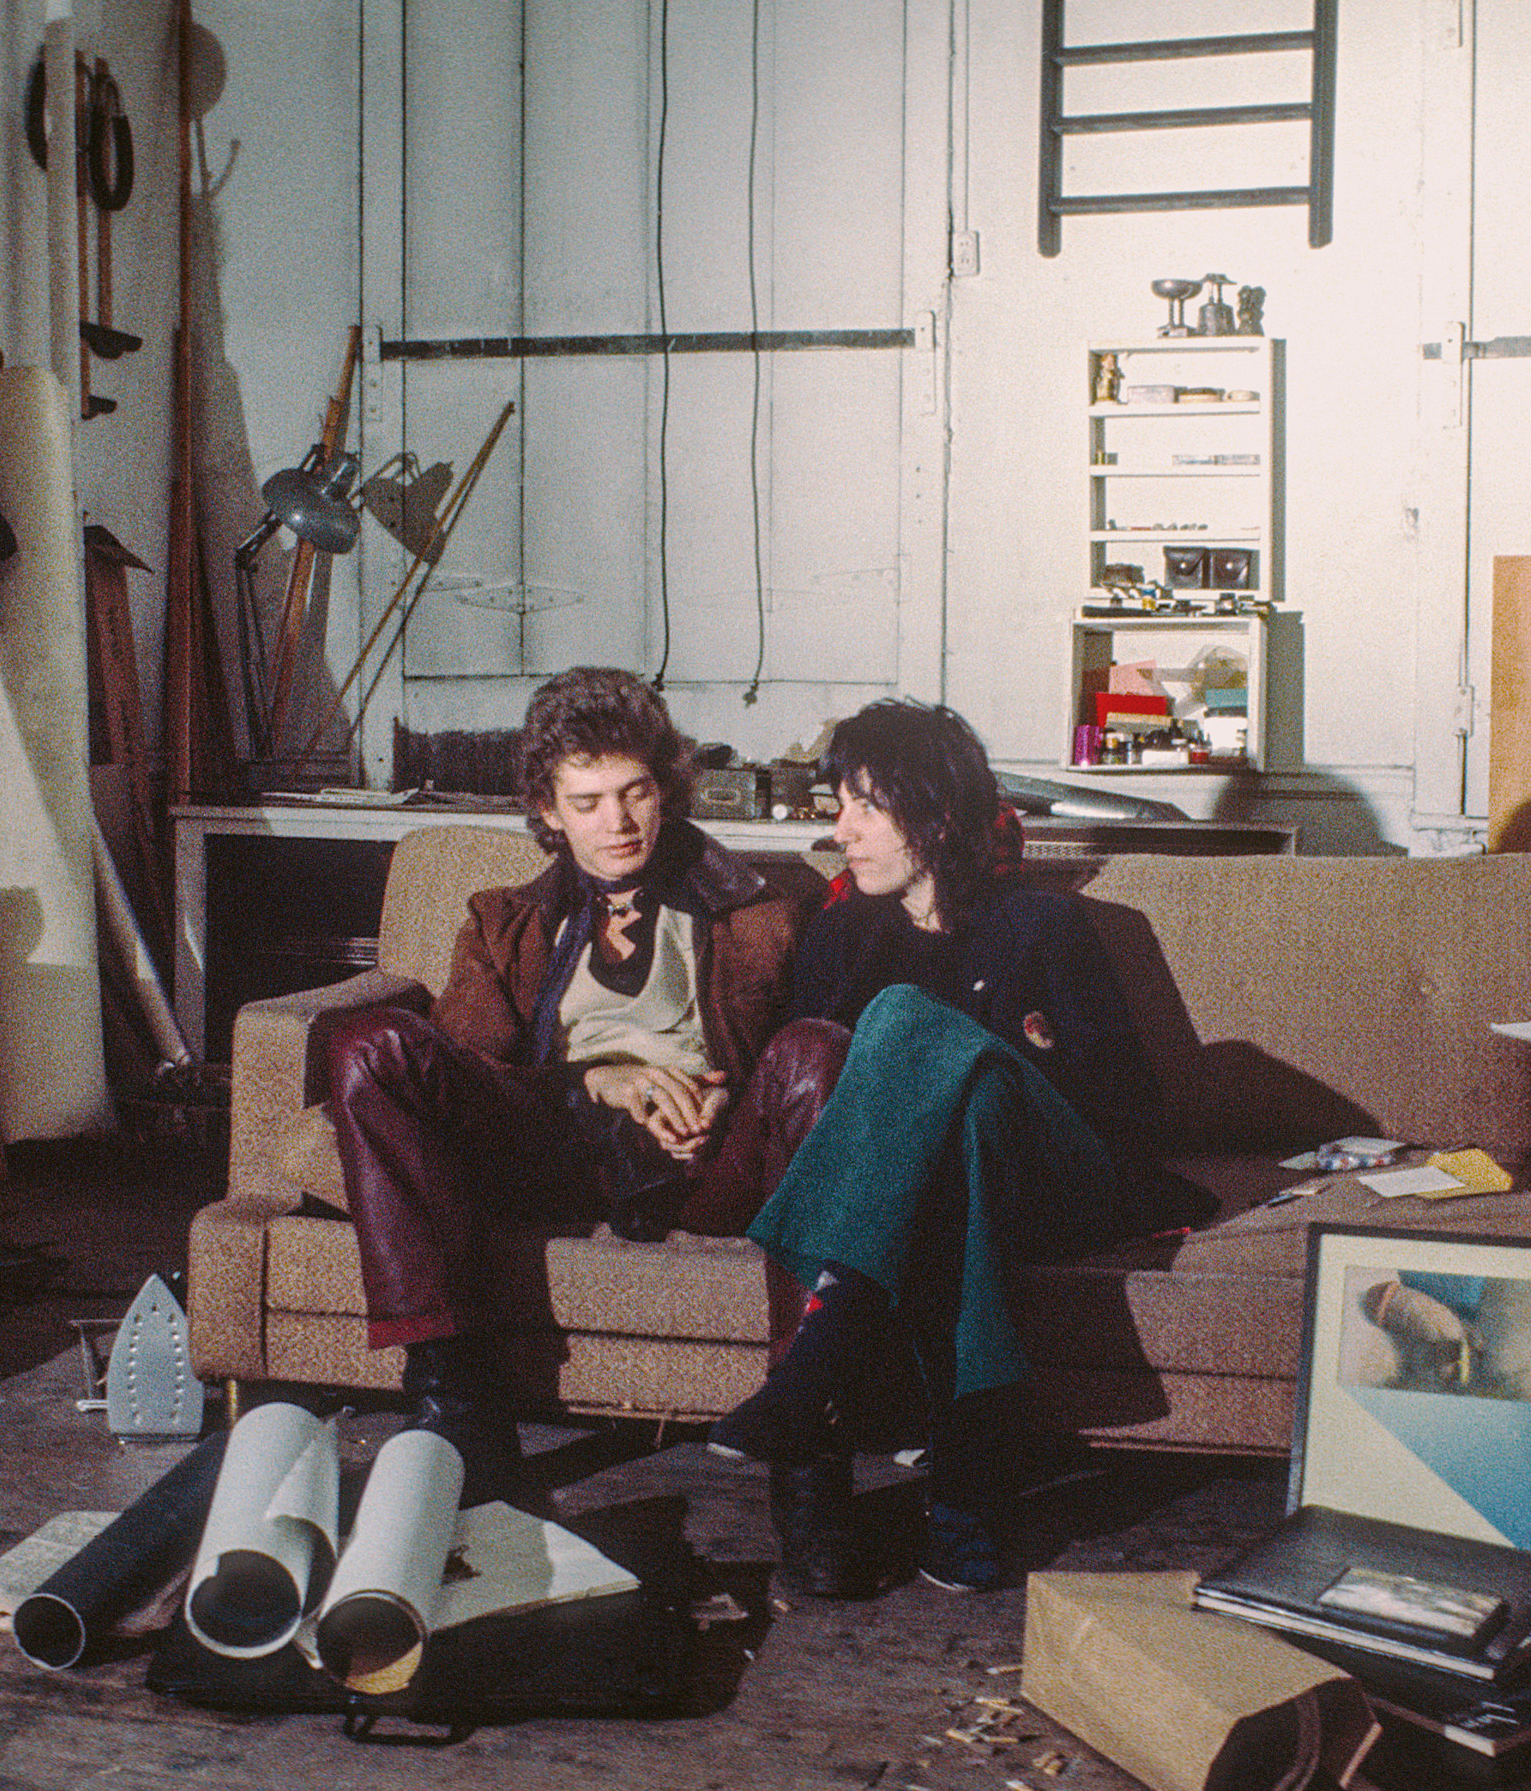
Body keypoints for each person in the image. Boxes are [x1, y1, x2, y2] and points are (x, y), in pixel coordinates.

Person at [317, 667, 847, 1504]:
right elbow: (475, 1079)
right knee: (367, 1043)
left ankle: (808, 1435)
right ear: (548, 812)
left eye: (635, 793)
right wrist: (599, 1080)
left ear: (665, 791)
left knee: (820, 1048)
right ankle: (455, 1401)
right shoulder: (502, 922)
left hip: (707, 1160)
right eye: (589, 801)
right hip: (552, 1154)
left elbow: (804, 1070)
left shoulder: (763, 910)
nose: (619, 823)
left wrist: (724, 1101)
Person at [708, 699, 1188, 1594]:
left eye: (864, 806)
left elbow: (1129, 1112)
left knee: (906, 1025)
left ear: (931, 818)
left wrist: (999, 1061)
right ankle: (967, 1481)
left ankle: (825, 1345)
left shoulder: (1046, 926)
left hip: (1059, 1174)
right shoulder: (843, 933)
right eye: (838, 803)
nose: (839, 828)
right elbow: (819, 1110)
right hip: (936, 1197)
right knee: (950, 1141)